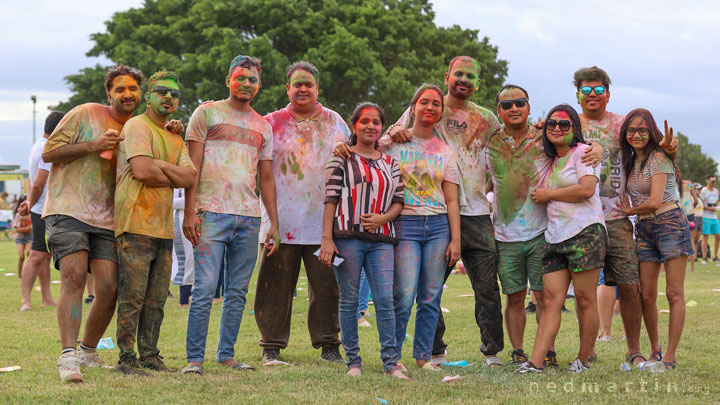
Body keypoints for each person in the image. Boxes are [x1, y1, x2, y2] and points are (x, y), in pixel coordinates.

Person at [383, 57, 505, 367]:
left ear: (477, 83)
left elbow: (512, 147)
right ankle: (434, 351)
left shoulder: (488, 119)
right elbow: (397, 133)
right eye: (458, 74)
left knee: (487, 287)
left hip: (477, 212)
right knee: (429, 287)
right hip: (433, 213)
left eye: (470, 76)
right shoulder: (431, 105)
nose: (463, 80)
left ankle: (492, 353)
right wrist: (395, 132)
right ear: (447, 76)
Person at [487, 85, 603, 365]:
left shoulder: (549, 140)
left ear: (528, 107)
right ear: (499, 111)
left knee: (550, 297)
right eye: (507, 104)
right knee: (520, 298)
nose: (514, 108)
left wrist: (596, 147)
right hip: (511, 234)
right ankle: (521, 354)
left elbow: (584, 159)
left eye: (520, 103)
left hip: (547, 233)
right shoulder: (489, 142)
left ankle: (558, 354)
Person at [42, 65, 144, 383]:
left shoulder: (139, 127)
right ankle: (68, 356)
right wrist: (93, 145)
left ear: (140, 93)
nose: (127, 94)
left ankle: (88, 350)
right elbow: (49, 152)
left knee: (109, 287)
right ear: (109, 93)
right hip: (67, 208)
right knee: (73, 277)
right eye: (120, 89)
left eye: (132, 89)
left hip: (108, 217)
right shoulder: (86, 113)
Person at [572, 66, 676, 366]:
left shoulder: (621, 125)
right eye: (586, 90)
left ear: (607, 94)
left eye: (598, 90)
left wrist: (673, 151)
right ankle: (587, 349)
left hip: (617, 218)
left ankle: (634, 349)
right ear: (578, 94)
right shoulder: (566, 124)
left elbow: (654, 151)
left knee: (630, 286)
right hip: (580, 220)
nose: (592, 95)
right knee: (584, 291)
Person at [182, 55, 280, 374]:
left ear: (259, 86)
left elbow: (265, 178)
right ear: (228, 80)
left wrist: (273, 224)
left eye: (252, 80)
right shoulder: (207, 113)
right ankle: (194, 360)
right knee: (206, 288)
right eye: (240, 77)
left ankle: (226, 355)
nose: (246, 84)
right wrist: (189, 212)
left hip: (248, 218)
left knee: (237, 291)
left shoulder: (263, 126)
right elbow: (191, 169)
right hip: (210, 213)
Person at [254, 61, 348, 364]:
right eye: (297, 84)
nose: (303, 89)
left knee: (327, 288)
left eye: (308, 84)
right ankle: (271, 345)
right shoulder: (270, 122)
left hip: (324, 223)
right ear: (287, 88)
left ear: (317, 88)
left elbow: (354, 159)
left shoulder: (336, 122)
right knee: (274, 287)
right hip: (279, 222)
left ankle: (329, 344)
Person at [114, 70, 196, 375]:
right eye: (161, 92)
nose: (169, 98)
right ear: (148, 97)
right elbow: (142, 171)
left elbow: (190, 177)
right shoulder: (137, 126)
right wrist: (167, 168)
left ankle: (150, 356)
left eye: (174, 94)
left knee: (157, 299)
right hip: (134, 222)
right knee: (133, 296)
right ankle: (126, 358)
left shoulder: (175, 136)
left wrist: (156, 163)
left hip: (162, 227)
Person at [319, 102, 409, 379]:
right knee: (348, 301)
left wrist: (383, 219)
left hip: (382, 239)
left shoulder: (391, 163)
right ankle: (353, 363)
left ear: (382, 127)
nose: (371, 126)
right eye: (364, 121)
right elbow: (330, 200)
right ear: (354, 125)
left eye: (376, 122)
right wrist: (326, 240)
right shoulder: (340, 159)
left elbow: (398, 202)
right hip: (346, 238)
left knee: (384, 300)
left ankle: (391, 363)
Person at [519, 104, 606, 374]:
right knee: (550, 301)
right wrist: (538, 126)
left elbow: (587, 190)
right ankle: (534, 363)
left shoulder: (584, 152)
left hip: (585, 232)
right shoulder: (547, 159)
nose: (558, 128)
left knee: (584, 299)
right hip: (555, 236)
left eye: (565, 125)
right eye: (552, 124)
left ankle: (583, 359)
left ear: (575, 129)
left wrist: (548, 195)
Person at [379, 84, 461, 370]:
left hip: (439, 226)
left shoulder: (445, 150)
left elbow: (452, 199)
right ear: (413, 108)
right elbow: (363, 150)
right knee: (403, 294)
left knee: (430, 296)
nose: (430, 107)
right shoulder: (392, 143)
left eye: (436, 104)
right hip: (405, 225)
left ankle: (423, 357)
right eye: (424, 102)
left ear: (440, 111)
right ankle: (393, 356)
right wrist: (389, 131)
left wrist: (456, 240)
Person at [618, 109, 692, 369]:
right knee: (646, 296)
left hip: (670, 223)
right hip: (645, 229)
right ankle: (655, 350)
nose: (636, 135)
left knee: (673, 292)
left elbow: (655, 201)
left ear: (650, 132)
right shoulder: (629, 160)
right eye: (631, 130)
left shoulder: (659, 157)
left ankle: (670, 358)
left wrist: (628, 211)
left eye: (642, 130)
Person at [18, 111, 63, 310]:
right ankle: (25, 300)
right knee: (37, 255)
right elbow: (38, 183)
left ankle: (46, 297)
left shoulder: (38, 144)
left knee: (44, 255)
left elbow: (31, 180)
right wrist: (30, 203)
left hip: (42, 207)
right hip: (43, 209)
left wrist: (29, 202)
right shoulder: (47, 148)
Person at [171, 188, 194, 306]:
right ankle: (184, 299)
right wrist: (193, 200)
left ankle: (193, 295)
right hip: (181, 218)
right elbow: (172, 201)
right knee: (186, 259)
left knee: (196, 259)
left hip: (197, 216)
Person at [699, 175, 719, 264]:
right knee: (705, 236)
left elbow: (716, 201)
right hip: (706, 216)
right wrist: (708, 208)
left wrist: (717, 206)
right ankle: (704, 257)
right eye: (712, 181)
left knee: (718, 236)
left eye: (715, 181)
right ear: (707, 181)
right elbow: (700, 204)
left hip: (714, 217)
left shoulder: (716, 191)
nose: (714, 183)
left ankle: (715, 256)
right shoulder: (703, 191)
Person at [680, 180, 699, 271]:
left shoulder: (673, 184)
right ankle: (692, 268)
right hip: (690, 213)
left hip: (678, 214)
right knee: (691, 240)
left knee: (678, 240)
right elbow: (695, 200)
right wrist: (692, 208)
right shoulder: (689, 183)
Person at [13, 195, 32, 278]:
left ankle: (28, 274)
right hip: (20, 238)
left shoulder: (32, 214)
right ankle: (20, 276)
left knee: (29, 253)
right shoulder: (18, 215)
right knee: (21, 257)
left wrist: (25, 229)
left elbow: (33, 228)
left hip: (30, 238)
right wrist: (27, 228)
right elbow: (16, 229)